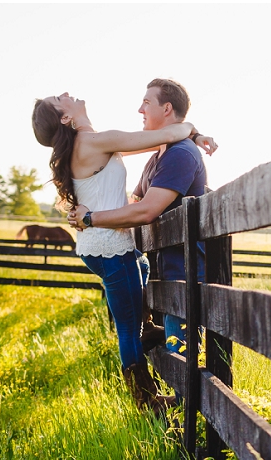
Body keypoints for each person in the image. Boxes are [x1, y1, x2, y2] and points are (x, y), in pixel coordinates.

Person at [31, 91, 216, 412]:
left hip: (102, 246)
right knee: (127, 328)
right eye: (59, 99)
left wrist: (191, 133)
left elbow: (162, 138)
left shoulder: (90, 143)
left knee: (141, 269)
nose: (66, 94)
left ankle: (146, 332)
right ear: (65, 118)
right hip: (110, 248)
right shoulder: (93, 142)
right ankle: (145, 401)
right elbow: (170, 134)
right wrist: (195, 133)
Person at [68, 79, 211, 355]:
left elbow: (146, 211)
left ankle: (175, 397)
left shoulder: (180, 154)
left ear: (167, 108)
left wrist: (91, 218)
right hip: (166, 273)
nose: (140, 109)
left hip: (184, 274)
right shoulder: (158, 157)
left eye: (147, 102)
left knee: (183, 363)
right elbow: (135, 202)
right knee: (172, 360)